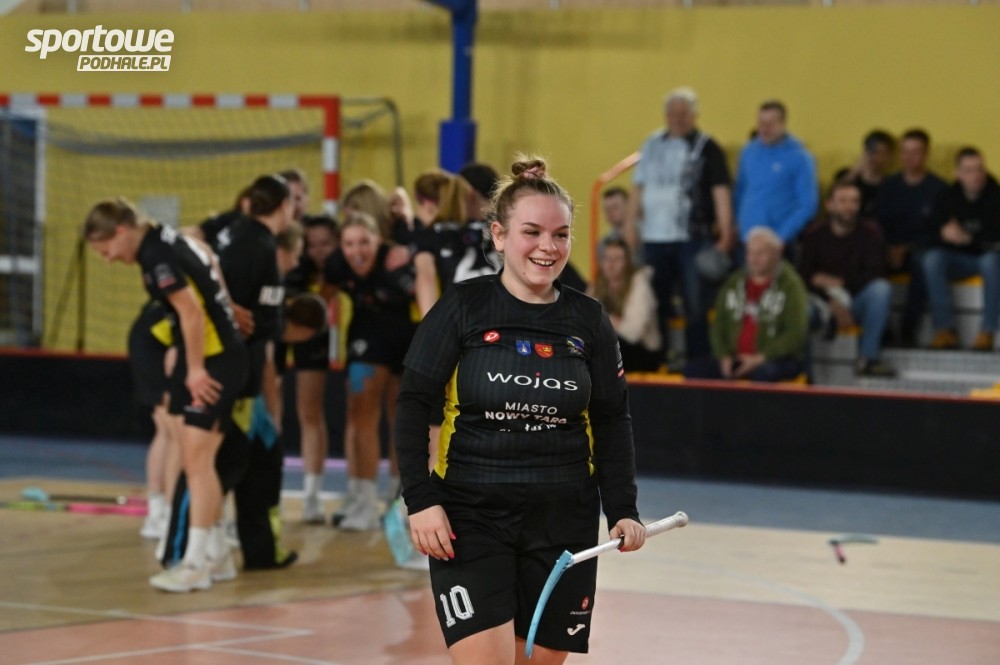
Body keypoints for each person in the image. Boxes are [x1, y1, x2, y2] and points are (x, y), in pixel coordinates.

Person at [395, 156, 646, 664]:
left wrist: (622, 508)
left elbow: (611, 419)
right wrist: (420, 500)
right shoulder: (462, 307)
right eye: (532, 232)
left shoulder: (589, 320)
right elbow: (413, 403)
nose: (548, 247)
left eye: (561, 235)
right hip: (470, 518)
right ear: (499, 235)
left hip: (564, 521)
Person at [83, 198, 247, 592]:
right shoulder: (166, 237)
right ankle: (218, 556)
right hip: (216, 354)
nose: (108, 259)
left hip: (215, 360)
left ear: (121, 231)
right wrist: (226, 305)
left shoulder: (156, 256)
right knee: (198, 460)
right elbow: (206, 255)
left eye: (106, 250)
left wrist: (196, 369)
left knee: (196, 462)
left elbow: (191, 313)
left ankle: (194, 565)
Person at [323, 212, 418, 530]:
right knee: (361, 415)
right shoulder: (337, 265)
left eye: (364, 241)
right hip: (366, 337)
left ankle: (398, 497)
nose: (357, 250)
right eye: (349, 243)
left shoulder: (397, 261)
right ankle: (363, 500)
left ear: (379, 241)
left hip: (408, 340)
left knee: (402, 419)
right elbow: (321, 299)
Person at [625, 86, 735, 361]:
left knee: (695, 304)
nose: (678, 118)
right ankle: (658, 358)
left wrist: (726, 232)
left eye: (684, 113)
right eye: (673, 113)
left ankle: (697, 362)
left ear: (694, 115)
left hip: (692, 238)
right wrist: (629, 225)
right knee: (655, 302)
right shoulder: (651, 144)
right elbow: (638, 187)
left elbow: (720, 191)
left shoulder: (708, 147)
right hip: (654, 238)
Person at [798, 180, 897, 377]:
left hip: (856, 300)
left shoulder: (871, 233)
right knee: (802, 310)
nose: (849, 207)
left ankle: (868, 358)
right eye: (843, 201)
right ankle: (803, 372)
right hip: (822, 303)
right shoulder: (814, 235)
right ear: (829, 204)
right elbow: (803, 278)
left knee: (881, 289)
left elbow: (876, 273)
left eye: (854, 201)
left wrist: (841, 282)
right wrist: (830, 301)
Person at [684, 227, 808, 382]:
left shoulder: (791, 286)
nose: (753, 259)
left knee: (764, 374)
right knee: (693, 370)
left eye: (760, 253)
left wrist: (760, 358)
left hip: (774, 359)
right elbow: (718, 325)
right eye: (750, 253)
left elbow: (795, 335)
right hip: (735, 357)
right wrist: (724, 356)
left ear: (776, 253)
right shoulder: (734, 282)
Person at [283, 214, 339, 524]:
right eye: (312, 244)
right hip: (279, 329)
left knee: (310, 412)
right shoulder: (292, 264)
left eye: (325, 244)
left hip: (313, 332)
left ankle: (312, 496)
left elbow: (320, 302)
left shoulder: (337, 267)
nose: (319, 250)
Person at [921, 147, 1000, 351]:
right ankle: (945, 330)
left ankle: (988, 331)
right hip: (957, 259)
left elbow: (995, 240)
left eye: (979, 169)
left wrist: (968, 239)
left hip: (987, 260)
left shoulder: (996, 196)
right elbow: (929, 232)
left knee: (991, 261)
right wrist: (944, 233)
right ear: (958, 173)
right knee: (932, 258)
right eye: (969, 170)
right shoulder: (946, 196)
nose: (975, 175)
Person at [875, 128, 947, 346]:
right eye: (905, 152)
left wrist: (906, 248)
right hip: (888, 248)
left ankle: (908, 329)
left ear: (926, 154)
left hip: (919, 250)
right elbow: (878, 224)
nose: (909, 158)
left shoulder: (938, 188)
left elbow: (938, 232)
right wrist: (889, 248)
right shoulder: (889, 186)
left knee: (922, 262)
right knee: (871, 258)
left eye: (915, 152)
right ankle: (882, 328)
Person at [733, 100, 819, 252]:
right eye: (761, 123)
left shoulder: (801, 158)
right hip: (747, 239)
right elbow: (740, 191)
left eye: (770, 123)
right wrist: (737, 223)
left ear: (783, 124)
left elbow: (808, 205)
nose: (764, 128)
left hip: (780, 243)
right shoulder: (748, 152)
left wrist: (781, 237)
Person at [589, 237, 663, 372]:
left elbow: (632, 334)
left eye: (617, 259)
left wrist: (603, 317)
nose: (611, 264)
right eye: (607, 258)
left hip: (644, 352)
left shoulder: (639, 285)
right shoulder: (598, 285)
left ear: (627, 262)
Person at [840, 130, 897, 220]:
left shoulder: (892, 185)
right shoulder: (848, 177)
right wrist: (855, 171)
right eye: (873, 152)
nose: (876, 157)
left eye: (881, 153)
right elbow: (835, 198)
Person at [597, 186, 631, 261]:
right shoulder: (604, 243)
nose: (611, 212)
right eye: (607, 209)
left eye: (615, 207)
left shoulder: (645, 235)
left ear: (629, 206)